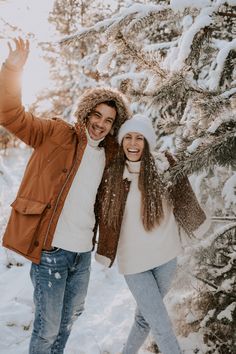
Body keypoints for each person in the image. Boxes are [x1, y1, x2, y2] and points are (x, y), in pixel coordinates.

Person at [0, 37, 130, 354]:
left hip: (81, 254)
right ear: (86, 113)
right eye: (96, 115)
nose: (100, 124)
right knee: (47, 331)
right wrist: (11, 71)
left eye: (109, 120)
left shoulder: (111, 156)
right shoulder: (55, 133)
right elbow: (10, 114)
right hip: (51, 251)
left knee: (70, 319)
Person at [95, 114, 209, 354]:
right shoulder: (114, 174)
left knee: (145, 318)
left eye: (139, 138)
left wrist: (197, 224)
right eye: (128, 137)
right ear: (121, 141)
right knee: (161, 324)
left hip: (166, 256)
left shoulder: (163, 166)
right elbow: (105, 218)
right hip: (134, 264)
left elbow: (184, 198)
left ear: (147, 142)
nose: (133, 143)